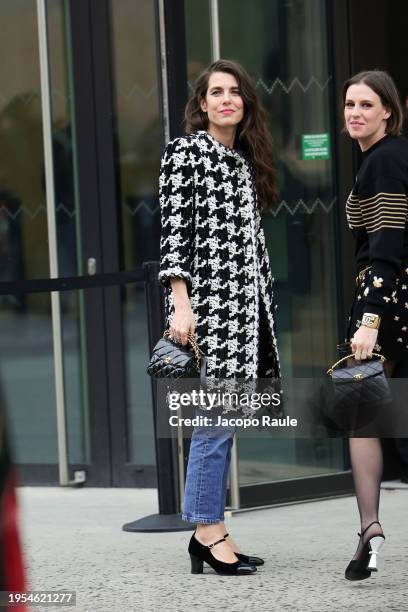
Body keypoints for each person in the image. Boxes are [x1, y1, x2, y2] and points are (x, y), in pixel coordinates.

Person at [158, 59, 280, 575]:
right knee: (214, 425)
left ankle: (211, 530)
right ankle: (208, 532)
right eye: (216, 92)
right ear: (202, 104)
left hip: (245, 315)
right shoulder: (186, 152)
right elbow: (173, 236)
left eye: (236, 92)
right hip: (208, 314)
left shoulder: (244, 161)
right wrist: (180, 304)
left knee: (224, 425)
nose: (227, 99)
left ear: (245, 104)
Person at [342, 70, 408, 580]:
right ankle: (367, 528)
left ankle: (370, 526)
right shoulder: (375, 158)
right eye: (349, 104)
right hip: (384, 297)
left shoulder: (385, 159)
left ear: (388, 110)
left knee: (364, 413)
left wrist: (370, 322)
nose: (355, 112)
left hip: (387, 301)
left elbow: (386, 246)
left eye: (367, 104)